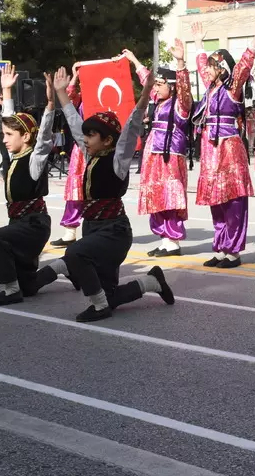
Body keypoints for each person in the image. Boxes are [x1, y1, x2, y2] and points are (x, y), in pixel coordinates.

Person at [38, 67, 175, 322]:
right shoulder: (92, 154)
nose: (85, 139)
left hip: (114, 232)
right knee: (109, 293)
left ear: (108, 141)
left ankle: (99, 307)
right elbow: (74, 124)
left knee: (76, 254)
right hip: (93, 228)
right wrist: (61, 94)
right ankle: (152, 281)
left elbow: (133, 124)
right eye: (86, 135)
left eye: (91, 135)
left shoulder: (117, 160)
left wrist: (144, 95)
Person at [0, 63, 59, 306]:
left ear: (26, 137)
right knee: (30, 286)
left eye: (9, 136)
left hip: (34, 225)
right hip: (19, 223)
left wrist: (51, 105)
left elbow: (43, 138)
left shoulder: (34, 159)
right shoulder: (14, 157)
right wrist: (8, 93)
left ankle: (10, 291)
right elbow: (9, 122)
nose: (4, 140)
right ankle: (64, 267)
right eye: (3, 135)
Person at [193, 20, 255, 269]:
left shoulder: (232, 89)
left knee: (233, 199)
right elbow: (201, 67)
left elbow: (243, 67)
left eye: (213, 67)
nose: (208, 71)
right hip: (210, 149)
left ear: (222, 69)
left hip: (229, 149)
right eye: (209, 67)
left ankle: (233, 251)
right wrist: (199, 44)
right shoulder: (210, 88)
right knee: (216, 200)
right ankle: (222, 247)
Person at [123, 42, 193, 258]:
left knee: (170, 196)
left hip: (170, 153)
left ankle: (173, 241)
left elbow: (184, 87)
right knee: (156, 195)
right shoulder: (158, 100)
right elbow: (146, 79)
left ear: (171, 86)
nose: (155, 88)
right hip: (153, 152)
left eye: (160, 85)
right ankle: (165, 240)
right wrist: (134, 60)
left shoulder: (181, 104)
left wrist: (180, 62)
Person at [51, 65, 86, 247]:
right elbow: (69, 94)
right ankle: (70, 232)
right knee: (74, 190)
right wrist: (75, 76)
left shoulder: (105, 99)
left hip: (100, 149)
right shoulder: (83, 98)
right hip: (81, 149)